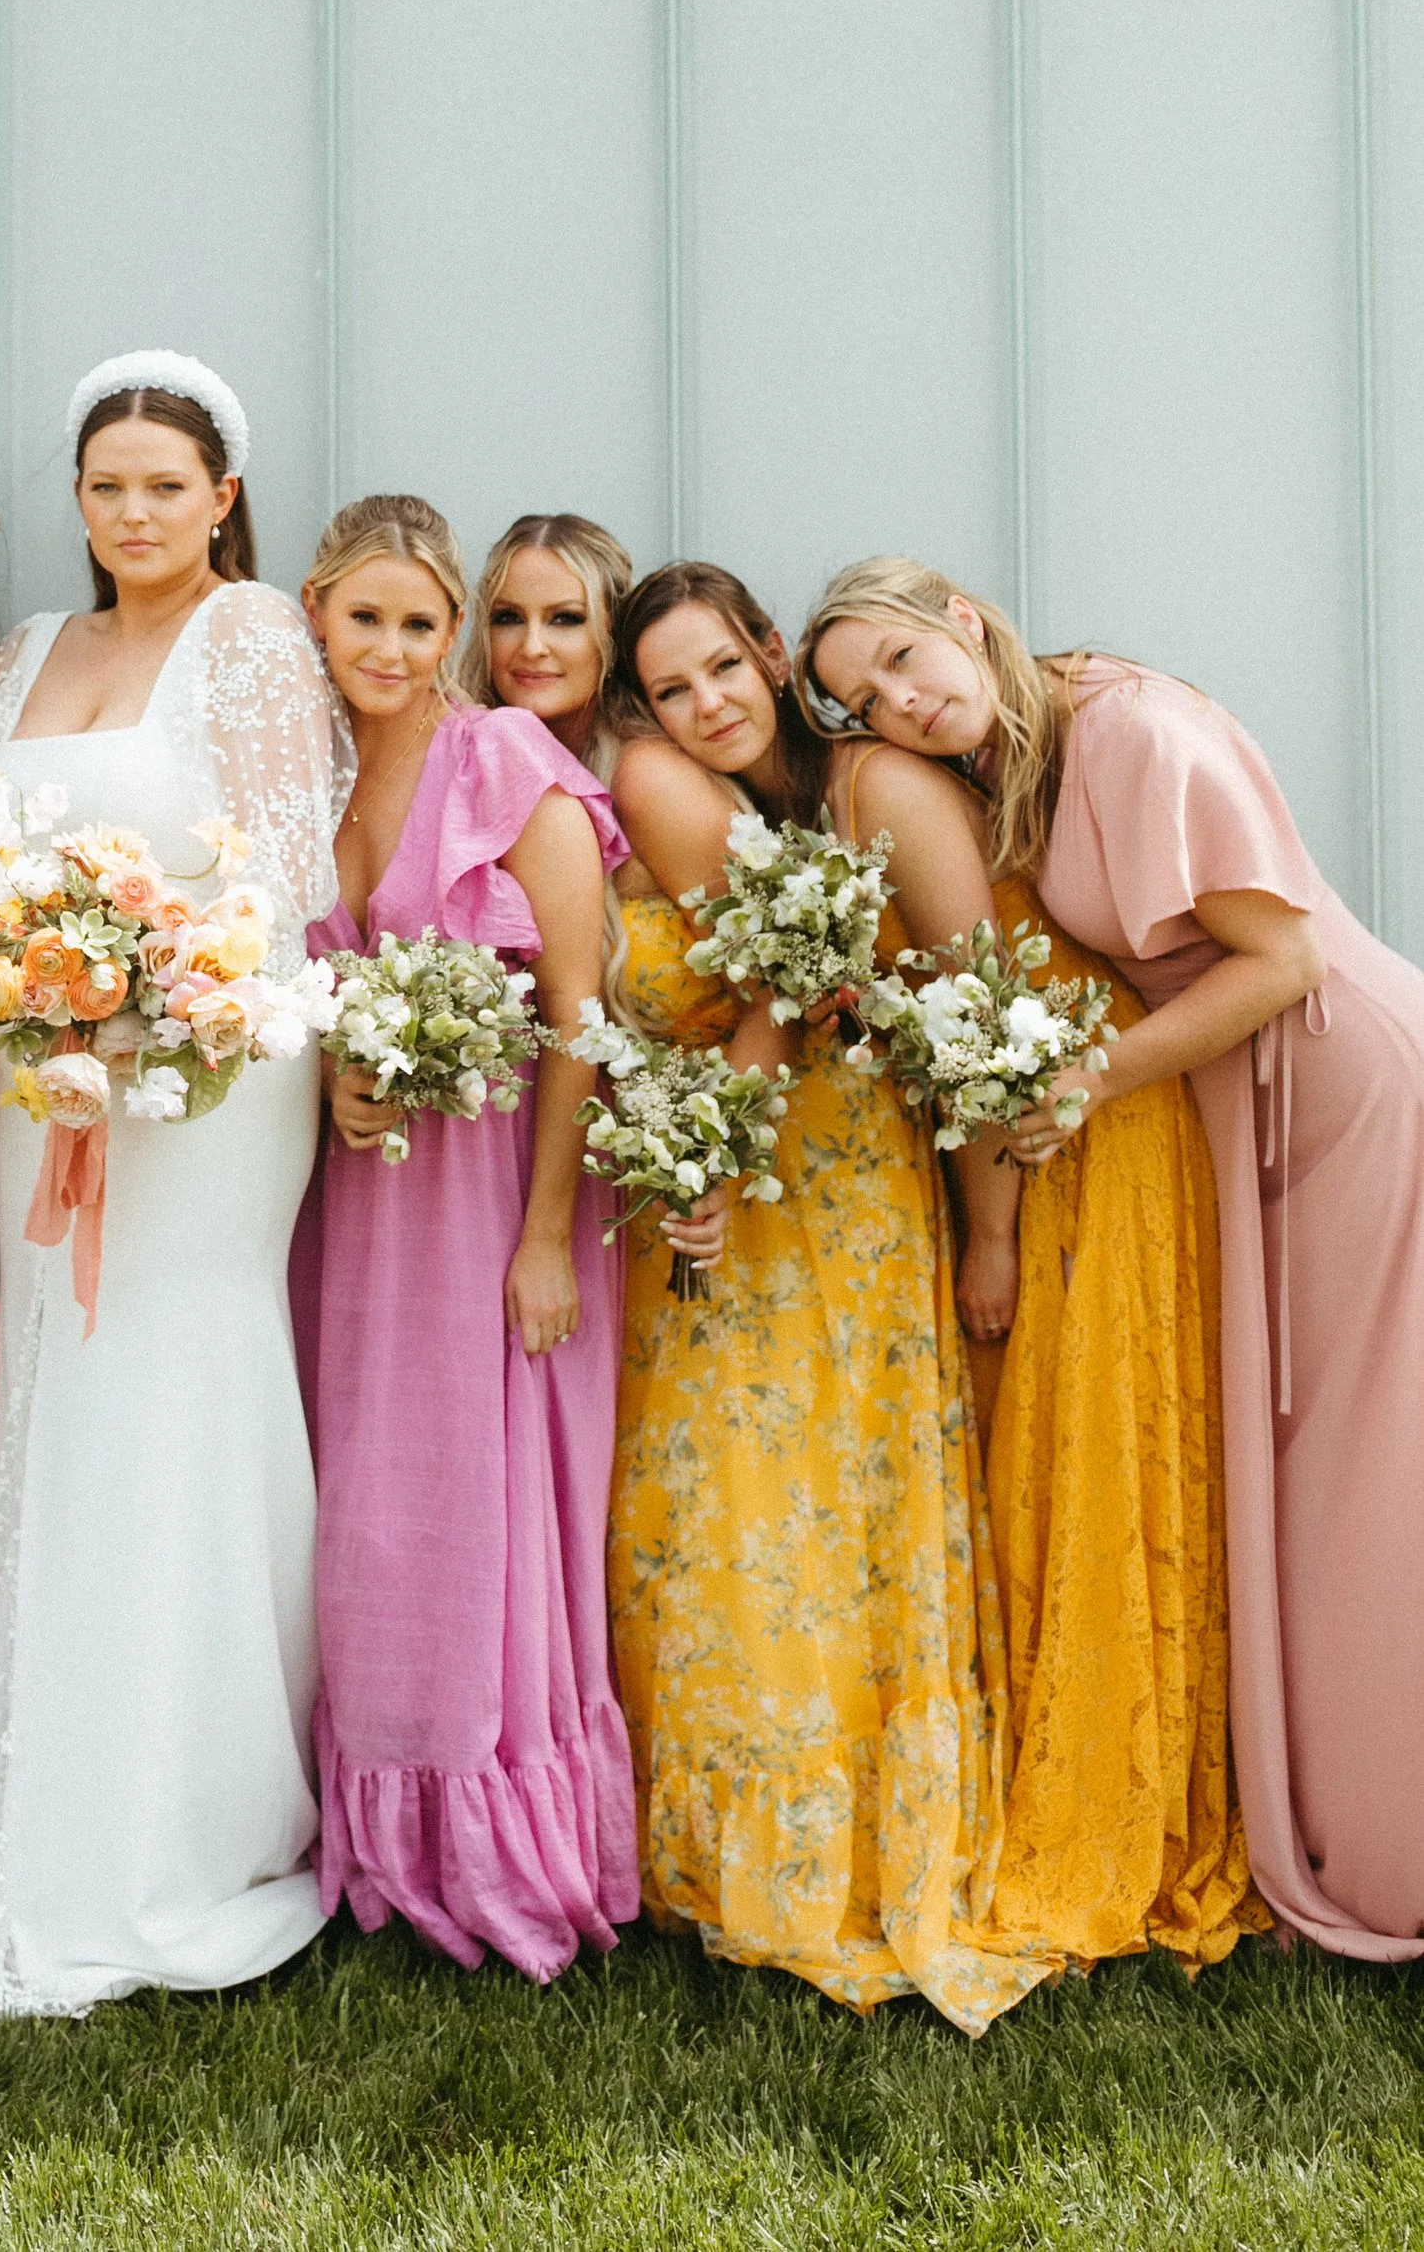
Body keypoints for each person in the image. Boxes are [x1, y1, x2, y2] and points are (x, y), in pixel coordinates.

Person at [803, 561, 1424, 1966]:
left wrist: (1088, 1078)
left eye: (903, 657)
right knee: (1298, 1485)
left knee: (1370, 1471)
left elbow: (1283, 959)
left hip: (1349, 1096)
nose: (902, 703)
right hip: (1239, 1113)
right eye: (864, 701)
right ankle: (1309, 1818)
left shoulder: (1135, 728)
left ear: (959, 611)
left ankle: (1392, 1838)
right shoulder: (1030, 746)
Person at [0, 352, 353, 2024]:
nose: (137, 513)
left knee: (178, 1386)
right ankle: (65, 1806)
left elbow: (281, 875)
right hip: (48, 1066)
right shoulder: (29, 650)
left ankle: (204, 1813)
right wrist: (45, 999)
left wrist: (145, 993)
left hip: (210, 1074)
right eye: (108, 488)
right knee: (68, 1400)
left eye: (168, 485)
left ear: (222, 496)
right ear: (76, 504)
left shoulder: (252, 637)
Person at [601, 560, 1049, 2031]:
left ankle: (856, 1846)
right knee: (724, 1514)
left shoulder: (871, 786)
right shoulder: (716, 813)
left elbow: (981, 1010)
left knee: (843, 1518)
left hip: (854, 1211)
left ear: (769, 655)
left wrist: (991, 1227)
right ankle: (720, 1854)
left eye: (722, 667)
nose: (706, 704)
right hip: (729, 1211)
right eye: (671, 688)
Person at [296, 495, 638, 1978]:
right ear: (316, 613)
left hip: (501, 1187)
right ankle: (372, 1828)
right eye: (362, 615)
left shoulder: (503, 761)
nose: (388, 645)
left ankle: (496, 1836)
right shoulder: (298, 767)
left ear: (453, 637)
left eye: (419, 622)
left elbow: (578, 1010)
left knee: (476, 1502)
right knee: (364, 1503)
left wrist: (549, 1233)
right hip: (359, 1194)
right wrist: (331, 1067)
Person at [459, 512, 635, 772]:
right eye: (509, 617)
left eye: (565, 618)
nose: (532, 648)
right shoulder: (454, 754)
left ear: (613, 635)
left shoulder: (647, 774)